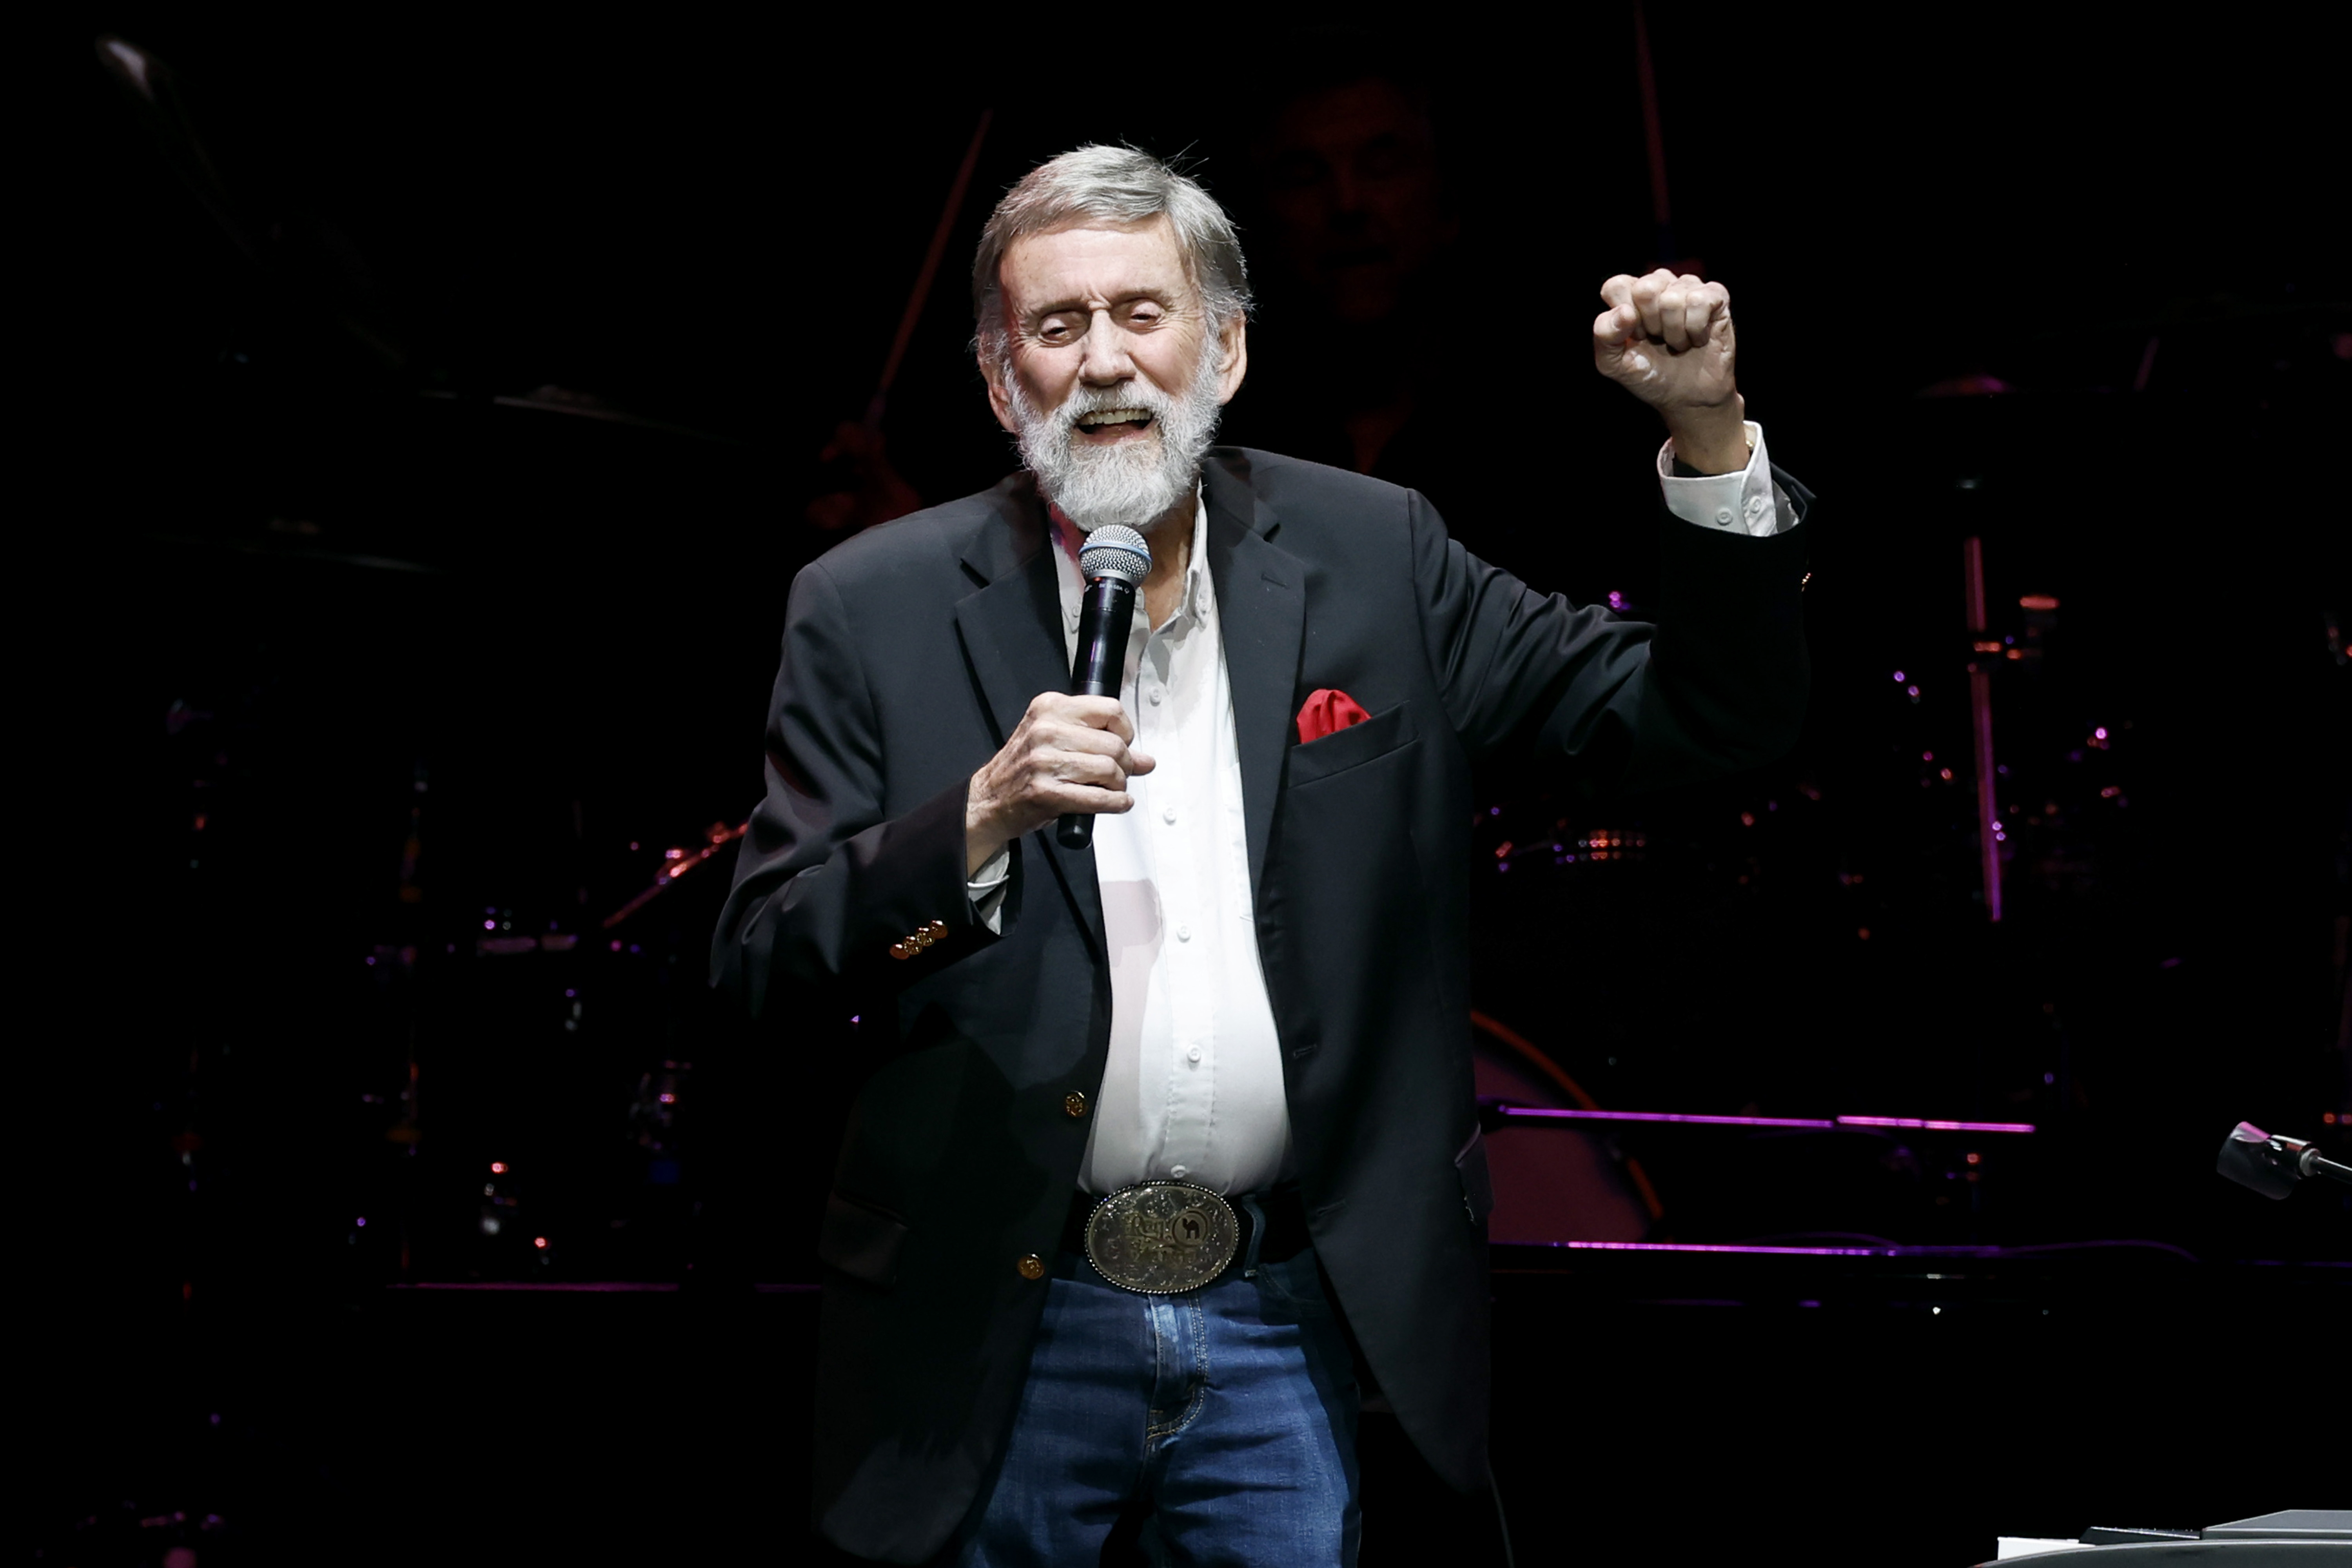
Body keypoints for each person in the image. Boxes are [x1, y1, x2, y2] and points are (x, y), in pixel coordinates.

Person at [713, 145, 1810, 1566]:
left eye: (1143, 313)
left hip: (1295, 1312)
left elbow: (1709, 720)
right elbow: (760, 958)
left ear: (1223, 349)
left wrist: (1711, 436)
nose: (1105, 362)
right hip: (998, 1324)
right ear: (1002, 386)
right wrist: (972, 823)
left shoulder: (1375, 552)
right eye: (1056, 328)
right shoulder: (870, 606)